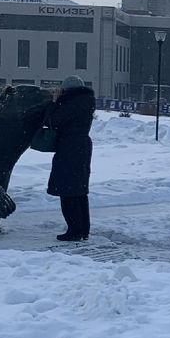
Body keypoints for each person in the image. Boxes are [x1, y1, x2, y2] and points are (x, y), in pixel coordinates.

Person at [46, 75, 95, 241]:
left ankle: (74, 231)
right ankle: (83, 229)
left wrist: (54, 102)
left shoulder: (70, 103)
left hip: (69, 147)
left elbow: (53, 120)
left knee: (67, 191)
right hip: (82, 146)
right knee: (80, 191)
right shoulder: (86, 101)